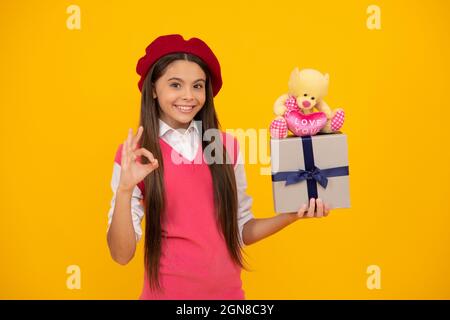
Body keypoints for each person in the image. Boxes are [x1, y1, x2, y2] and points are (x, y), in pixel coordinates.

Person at [106, 34, 331, 300]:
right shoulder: (136, 154)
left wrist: (291, 215)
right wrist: (125, 189)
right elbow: (121, 255)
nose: (188, 96)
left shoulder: (226, 147)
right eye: (175, 85)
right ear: (153, 89)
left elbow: (241, 230)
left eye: (198, 86)